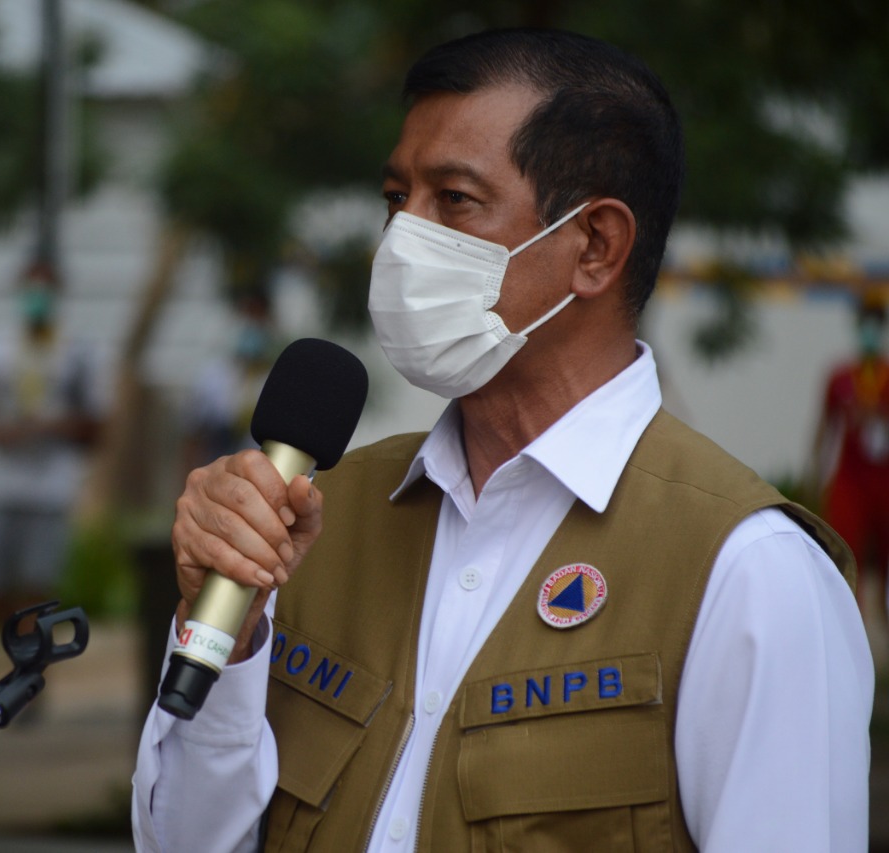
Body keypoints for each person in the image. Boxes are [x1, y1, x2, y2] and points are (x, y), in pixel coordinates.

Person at [132, 28, 873, 853]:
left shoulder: (749, 573)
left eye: (453, 200)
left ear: (595, 246)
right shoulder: (311, 519)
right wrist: (228, 631)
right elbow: (184, 842)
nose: (401, 240)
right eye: (396, 198)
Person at [0, 264, 107, 624]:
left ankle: (31, 652)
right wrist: (2, 433)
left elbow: (96, 426)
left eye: (45, 291)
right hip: (3, 484)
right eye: (31, 290)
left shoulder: (77, 353)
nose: (38, 300)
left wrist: (53, 425)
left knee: (38, 581)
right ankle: (11, 648)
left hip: (51, 487)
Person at [813, 292, 889, 622]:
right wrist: (814, 477)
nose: (869, 330)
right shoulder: (841, 376)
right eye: (865, 324)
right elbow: (823, 428)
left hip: (884, 481)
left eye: (875, 324)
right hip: (850, 480)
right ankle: (849, 620)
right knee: (844, 552)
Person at [180, 291, 279, 472]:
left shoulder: (276, 378)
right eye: (248, 315)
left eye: (258, 317)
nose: (252, 324)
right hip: (216, 468)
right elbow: (193, 435)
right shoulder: (213, 375)